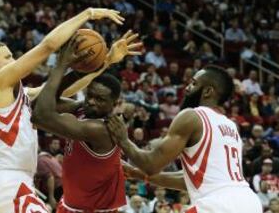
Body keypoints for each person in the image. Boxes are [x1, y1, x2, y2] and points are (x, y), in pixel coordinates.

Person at [0, 7, 124, 213]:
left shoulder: (18, 95)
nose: (14, 61)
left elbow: (60, 89)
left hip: (7, 185)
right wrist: (88, 14)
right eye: (8, 57)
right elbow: (47, 46)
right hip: (8, 184)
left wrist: (105, 62)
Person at [107, 65, 262, 213]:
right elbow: (191, 180)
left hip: (217, 204)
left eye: (193, 84)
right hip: (249, 202)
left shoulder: (192, 116)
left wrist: (124, 140)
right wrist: (136, 173)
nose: (187, 88)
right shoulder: (231, 126)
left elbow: (151, 165)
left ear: (207, 91)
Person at [31, 30, 142, 212]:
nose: (91, 101)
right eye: (90, 95)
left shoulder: (101, 129)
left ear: (115, 104)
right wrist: (81, 71)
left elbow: (40, 116)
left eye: (100, 99)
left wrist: (61, 65)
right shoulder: (84, 109)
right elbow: (38, 105)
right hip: (69, 204)